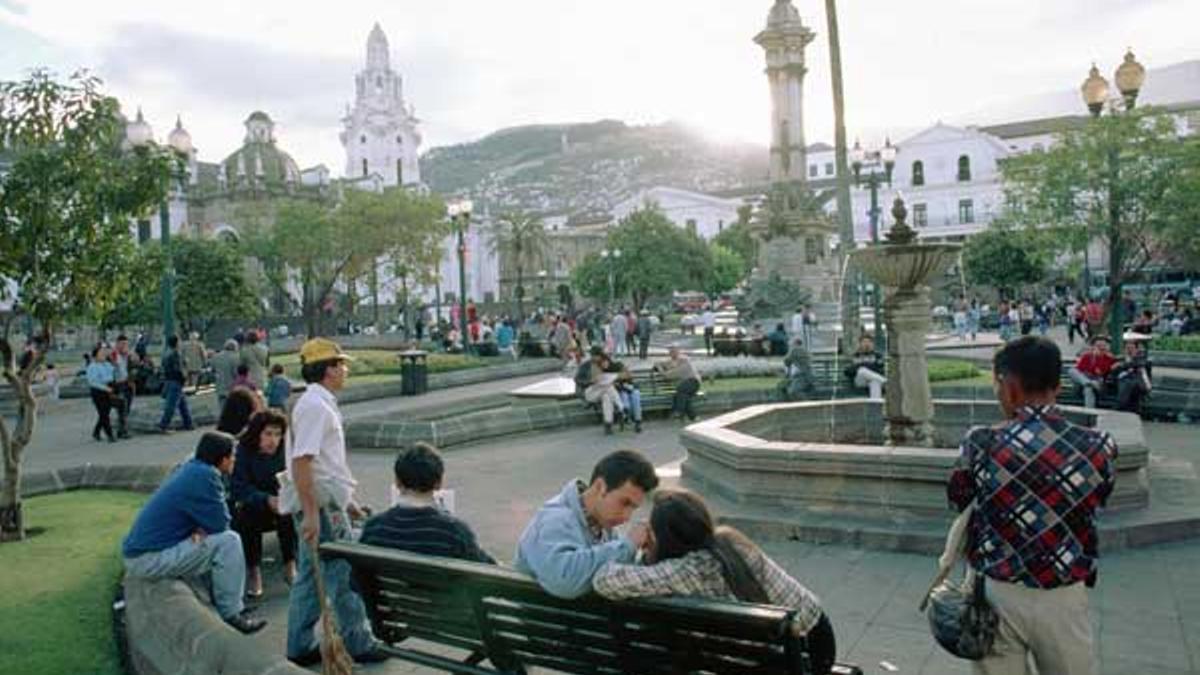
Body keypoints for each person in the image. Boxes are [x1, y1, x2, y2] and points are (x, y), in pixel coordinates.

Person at [948, 336, 1117, 674]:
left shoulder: (981, 442)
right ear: (1057, 383)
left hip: (997, 594)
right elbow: (1100, 498)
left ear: (1009, 386)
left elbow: (958, 497)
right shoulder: (1098, 445)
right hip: (1064, 594)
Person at [593, 490, 835, 674]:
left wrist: (637, 546)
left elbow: (604, 580)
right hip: (815, 640)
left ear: (666, 538)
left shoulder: (685, 571)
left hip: (790, 660)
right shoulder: (731, 542)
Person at [281, 338, 387, 666]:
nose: (345, 370)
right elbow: (303, 462)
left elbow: (326, 462)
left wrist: (349, 501)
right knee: (339, 574)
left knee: (315, 579)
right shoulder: (316, 407)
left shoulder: (316, 402)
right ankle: (358, 640)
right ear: (328, 369)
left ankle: (300, 644)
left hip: (327, 503)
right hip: (322, 506)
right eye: (341, 364)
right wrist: (313, 514)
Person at [122, 432, 267, 634]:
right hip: (148, 559)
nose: (234, 460)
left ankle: (227, 603)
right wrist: (204, 525)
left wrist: (202, 526)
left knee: (219, 541)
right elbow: (221, 524)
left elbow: (207, 521)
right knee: (229, 542)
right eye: (232, 456)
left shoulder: (192, 467)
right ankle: (232, 614)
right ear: (222, 458)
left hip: (143, 554)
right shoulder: (205, 476)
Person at [515, 450, 658, 599]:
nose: (627, 516)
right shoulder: (555, 519)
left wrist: (649, 557)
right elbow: (565, 581)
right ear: (599, 487)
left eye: (633, 508)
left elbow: (617, 574)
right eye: (624, 503)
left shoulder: (602, 523)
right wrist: (629, 544)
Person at [360, 443, 495, 563]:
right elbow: (488, 571)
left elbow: (357, 581)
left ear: (397, 482)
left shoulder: (373, 528)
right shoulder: (455, 532)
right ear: (439, 483)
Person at [231, 410, 297, 598]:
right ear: (257, 433)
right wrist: (265, 499)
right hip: (253, 503)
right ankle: (254, 570)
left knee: (287, 512)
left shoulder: (285, 449)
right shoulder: (244, 451)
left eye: (277, 434)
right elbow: (239, 488)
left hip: (279, 500)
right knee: (248, 517)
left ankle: (290, 564)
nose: (273, 440)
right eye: (268, 434)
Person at [575, 346, 624, 435]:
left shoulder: (605, 364)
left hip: (603, 391)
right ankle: (621, 408)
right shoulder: (585, 366)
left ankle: (608, 425)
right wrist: (590, 381)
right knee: (607, 387)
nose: (595, 358)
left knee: (607, 397)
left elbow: (617, 373)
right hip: (589, 392)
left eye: (597, 356)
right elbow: (577, 379)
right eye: (593, 356)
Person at [158, 336, 194, 434]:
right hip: (176, 381)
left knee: (182, 403)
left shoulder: (166, 353)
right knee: (171, 405)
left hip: (169, 380)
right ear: (177, 343)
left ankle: (188, 423)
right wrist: (184, 377)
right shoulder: (175, 354)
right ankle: (163, 425)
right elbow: (177, 369)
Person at [654, 346, 701, 421]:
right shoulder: (672, 361)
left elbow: (668, 375)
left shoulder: (685, 362)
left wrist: (661, 370)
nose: (672, 354)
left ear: (678, 352)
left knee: (680, 390)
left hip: (693, 382)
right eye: (671, 352)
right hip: (684, 386)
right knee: (683, 395)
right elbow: (657, 363)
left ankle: (679, 411)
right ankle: (693, 416)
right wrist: (660, 367)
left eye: (674, 352)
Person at [1069, 336, 1118, 408]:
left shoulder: (1109, 359)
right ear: (1094, 347)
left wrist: (1097, 359)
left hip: (1099, 384)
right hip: (1085, 383)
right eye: (1098, 346)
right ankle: (1088, 383)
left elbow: (1101, 373)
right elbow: (1078, 372)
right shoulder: (1087, 356)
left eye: (1103, 346)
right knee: (1072, 371)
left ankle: (1089, 412)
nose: (1101, 348)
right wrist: (1093, 357)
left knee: (1088, 389)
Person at [86, 344, 117, 443]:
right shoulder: (92, 366)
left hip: (109, 388)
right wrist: (106, 388)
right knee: (104, 414)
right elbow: (93, 382)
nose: (103, 354)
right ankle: (110, 435)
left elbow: (113, 373)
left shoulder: (107, 364)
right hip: (98, 391)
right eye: (101, 353)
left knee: (105, 413)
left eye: (104, 352)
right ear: (95, 356)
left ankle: (96, 432)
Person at [603, 355, 642, 433]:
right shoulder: (604, 371)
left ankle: (638, 421)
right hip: (618, 393)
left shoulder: (618, 365)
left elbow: (629, 377)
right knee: (624, 397)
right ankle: (627, 416)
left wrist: (623, 379)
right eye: (602, 363)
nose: (604, 364)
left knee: (636, 395)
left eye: (605, 362)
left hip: (629, 389)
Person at [1112, 339, 1153, 413]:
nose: (1129, 351)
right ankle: (1128, 408)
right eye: (1127, 348)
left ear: (1136, 350)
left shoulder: (1141, 359)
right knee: (1128, 383)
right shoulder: (1119, 358)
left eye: (1131, 348)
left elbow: (1139, 364)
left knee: (1132, 383)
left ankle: (1119, 407)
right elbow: (1114, 371)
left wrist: (1124, 365)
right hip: (1122, 382)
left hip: (1139, 384)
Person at [844, 336, 886, 401]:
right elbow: (848, 371)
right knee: (862, 371)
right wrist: (866, 365)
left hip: (874, 378)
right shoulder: (855, 355)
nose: (867, 344)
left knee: (875, 382)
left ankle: (875, 408)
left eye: (869, 342)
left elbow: (879, 368)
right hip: (859, 382)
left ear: (872, 344)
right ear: (860, 344)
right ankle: (885, 382)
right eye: (864, 342)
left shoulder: (877, 355)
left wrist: (860, 365)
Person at [112, 334, 135, 439]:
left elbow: (135, 364)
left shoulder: (128, 355)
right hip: (117, 384)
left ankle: (121, 429)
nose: (124, 346)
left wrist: (131, 356)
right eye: (122, 344)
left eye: (126, 344)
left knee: (126, 408)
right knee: (122, 407)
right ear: (117, 344)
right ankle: (122, 431)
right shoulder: (113, 354)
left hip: (127, 383)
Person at [211, 339, 240, 409]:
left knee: (222, 406)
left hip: (220, 385)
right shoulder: (236, 357)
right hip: (232, 386)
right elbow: (236, 373)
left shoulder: (216, 357)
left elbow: (213, 370)